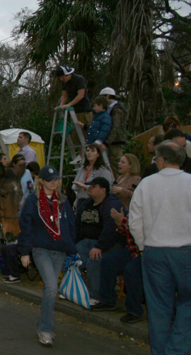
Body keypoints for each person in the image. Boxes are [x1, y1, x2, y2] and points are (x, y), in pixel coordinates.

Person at [129, 141, 191, 355]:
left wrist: (143, 247)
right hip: (186, 252)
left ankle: (162, 351)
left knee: (158, 307)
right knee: (188, 304)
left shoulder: (146, 184)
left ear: (161, 160)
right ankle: (179, 349)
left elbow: (134, 221)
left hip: (154, 251)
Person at [18, 166, 76, 347]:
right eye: (50, 179)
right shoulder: (32, 201)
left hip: (59, 250)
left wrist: (72, 250)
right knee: (51, 287)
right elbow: (26, 227)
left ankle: (45, 326)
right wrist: (25, 252)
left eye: (56, 179)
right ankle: (45, 329)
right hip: (41, 249)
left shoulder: (63, 201)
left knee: (52, 289)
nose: (54, 182)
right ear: (41, 181)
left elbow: (70, 227)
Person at [73, 177, 126, 302]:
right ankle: (76, 289)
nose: (89, 188)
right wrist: (73, 242)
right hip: (85, 242)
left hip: (108, 244)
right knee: (69, 258)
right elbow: (77, 224)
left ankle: (95, 296)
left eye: (93, 186)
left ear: (102, 190)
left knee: (95, 262)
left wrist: (99, 246)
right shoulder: (86, 203)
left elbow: (111, 230)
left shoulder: (112, 205)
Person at [94, 206, 144, 322]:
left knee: (131, 270)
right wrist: (120, 223)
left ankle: (134, 311)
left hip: (146, 252)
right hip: (134, 250)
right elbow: (126, 232)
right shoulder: (132, 207)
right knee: (108, 262)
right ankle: (107, 301)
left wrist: (122, 221)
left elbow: (141, 229)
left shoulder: (149, 205)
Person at [71, 144, 114, 208]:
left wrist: (85, 186)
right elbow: (74, 186)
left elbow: (107, 187)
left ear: (98, 154)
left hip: (95, 202)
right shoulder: (83, 168)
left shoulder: (103, 170)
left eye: (93, 151)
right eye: (88, 150)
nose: (89, 153)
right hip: (81, 200)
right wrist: (78, 186)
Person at [99, 88, 127, 176]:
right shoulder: (111, 109)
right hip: (111, 142)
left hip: (115, 142)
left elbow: (115, 127)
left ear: (107, 96)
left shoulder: (117, 110)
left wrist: (106, 143)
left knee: (116, 166)